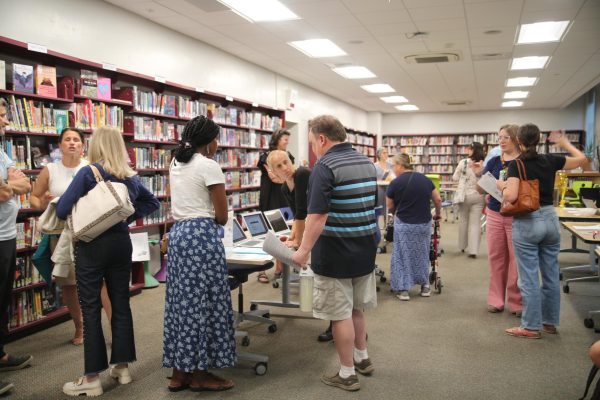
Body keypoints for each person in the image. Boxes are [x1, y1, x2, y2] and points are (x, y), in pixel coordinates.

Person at [56, 127, 159, 396]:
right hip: (121, 244)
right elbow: (152, 203)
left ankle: (92, 378)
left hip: (91, 245)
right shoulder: (130, 177)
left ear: (96, 146)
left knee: (91, 308)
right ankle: (122, 368)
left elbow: (62, 209)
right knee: (120, 304)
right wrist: (123, 217)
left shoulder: (88, 173)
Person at [292, 115, 378, 392]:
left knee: (339, 314)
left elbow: (316, 215)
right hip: (364, 248)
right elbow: (371, 206)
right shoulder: (366, 162)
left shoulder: (325, 166)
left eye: (312, 143)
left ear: (321, 138)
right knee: (356, 307)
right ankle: (362, 358)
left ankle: (347, 373)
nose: (313, 149)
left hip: (336, 251)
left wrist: (303, 250)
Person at [163, 115, 235, 392]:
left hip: (179, 236)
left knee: (182, 303)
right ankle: (201, 372)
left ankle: (179, 372)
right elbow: (221, 216)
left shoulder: (175, 162)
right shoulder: (209, 165)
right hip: (202, 238)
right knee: (204, 304)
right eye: (216, 138)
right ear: (209, 141)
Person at [497, 124, 588, 339]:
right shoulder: (550, 160)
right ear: (538, 140)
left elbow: (510, 197)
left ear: (518, 141)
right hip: (550, 219)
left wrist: (501, 186)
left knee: (528, 277)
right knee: (550, 275)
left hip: (528, 222)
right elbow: (582, 160)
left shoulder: (516, 165)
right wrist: (565, 143)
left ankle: (530, 326)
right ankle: (549, 322)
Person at [29, 128, 112, 346]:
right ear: (60, 145)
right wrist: (46, 203)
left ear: (83, 145)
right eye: (67, 140)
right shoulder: (50, 169)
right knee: (69, 285)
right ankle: (81, 327)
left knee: (100, 281)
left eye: (76, 140)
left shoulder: (91, 167)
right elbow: (34, 199)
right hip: (60, 233)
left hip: (90, 230)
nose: (72, 143)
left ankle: (114, 327)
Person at [267, 150, 334, 342]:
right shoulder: (284, 189)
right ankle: (334, 325)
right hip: (314, 231)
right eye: (278, 167)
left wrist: (299, 243)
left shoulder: (302, 174)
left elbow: (303, 212)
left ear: (291, 161)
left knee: (327, 281)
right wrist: (292, 238)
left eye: (286, 162)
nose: (284, 168)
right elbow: (297, 214)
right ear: (273, 172)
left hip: (325, 229)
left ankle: (335, 325)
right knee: (322, 280)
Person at [0, 98, 33, 396]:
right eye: (0, 116)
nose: (5, 121)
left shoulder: (1, 151)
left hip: (8, 235)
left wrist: (8, 186)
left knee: (2, 301)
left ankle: (0, 356)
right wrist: (8, 186)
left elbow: (26, 186)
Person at [475, 125, 522, 316]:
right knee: (496, 258)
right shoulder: (494, 161)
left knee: (516, 260)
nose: (502, 141)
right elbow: (479, 189)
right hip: (494, 213)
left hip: (517, 216)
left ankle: (516, 302)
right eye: (500, 137)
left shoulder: (523, 162)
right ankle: (496, 300)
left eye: (506, 137)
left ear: (517, 139)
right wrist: (483, 181)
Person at [386, 154, 442, 301]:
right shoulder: (425, 179)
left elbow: (390, 205)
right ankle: (425, 286)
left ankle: (403, 289)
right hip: (423, 225)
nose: (393, 169)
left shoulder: (395, 183)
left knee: (401, 255)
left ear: (400, 165)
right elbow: (438, 199)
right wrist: (438, 213)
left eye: (393, 166)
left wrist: (395, 213)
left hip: (404, 224)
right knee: (423, 253)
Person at [256, 129, 294, 283]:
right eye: (285, 139)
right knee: (267, 232)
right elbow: (274, 177)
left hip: (285, 197)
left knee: (284, 231)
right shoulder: (265, 157)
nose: (287, 142)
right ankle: (261, 270)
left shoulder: (289, 156)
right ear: (277, 139)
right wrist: (286, 176)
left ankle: (280, 268)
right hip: (270, 197)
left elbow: (290, 174)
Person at [452, 142, 486, 258]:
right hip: (479, 195)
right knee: (475, 223)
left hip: (465, 195)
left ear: (472, 150)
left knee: (464, 220)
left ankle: (462, 246)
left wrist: (463, 176)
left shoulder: (463, 162)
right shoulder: (484, 163)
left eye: (469, 149)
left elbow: (455, 177)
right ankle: (473, 251)